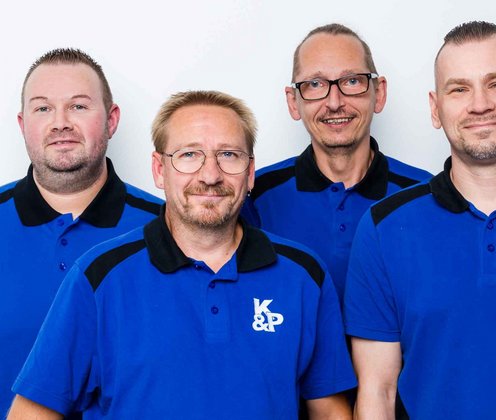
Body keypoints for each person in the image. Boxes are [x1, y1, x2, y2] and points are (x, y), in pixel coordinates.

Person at [8, 90, 356, 419]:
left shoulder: (303, 276)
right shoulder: (99, 277)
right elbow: (32, 412)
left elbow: (329, 411)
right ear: (160, 170)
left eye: (228, 155)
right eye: (189, 155)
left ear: (250, 173)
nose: (210, 175)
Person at [344, 21, 496, 419]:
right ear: (435, 108)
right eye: (459, 89)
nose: (480, 104)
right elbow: (378, 392)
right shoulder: (384, 229)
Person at [0, 48, 162, 416]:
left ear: (111, 120)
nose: (61, 123)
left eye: (78, 106)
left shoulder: (166, 228)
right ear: (22, 124)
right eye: (43, 108)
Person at [242, 23, 431, 301]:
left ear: (379, 93)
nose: (334, 102)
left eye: (352, 81)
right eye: (315, 84)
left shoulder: (427, 194)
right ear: (293, 102)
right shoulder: (254, 195)